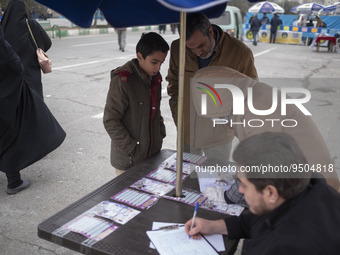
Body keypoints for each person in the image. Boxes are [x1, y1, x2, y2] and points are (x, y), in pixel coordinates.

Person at [190, 66, 340, 194]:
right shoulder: (251, 95)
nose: (223, 124)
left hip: (315, 192)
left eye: (220, 117)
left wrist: (228, 195)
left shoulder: (259, 109)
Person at [185, 132, 340, 255]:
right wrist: (214, 226)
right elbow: (258, 218)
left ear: (270, 192)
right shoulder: (309, 188)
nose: (240, 190)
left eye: (245, 185)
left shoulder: (284, 247)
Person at [166, 12, 257, 163]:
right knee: (186, 180)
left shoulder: (240, 53)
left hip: (219, 138)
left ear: (210, 32)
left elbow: (251, 93)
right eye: (190, 48)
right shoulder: (177, 48)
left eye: (201, 45)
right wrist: (178, 114)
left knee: (215, 182)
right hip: (187, 133)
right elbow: (173, 83)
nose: (198, 52)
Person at [0, 26, 66, 195]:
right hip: (10, 91)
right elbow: (11, 62)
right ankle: (14, 181)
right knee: (12, 131)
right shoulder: (30, 25)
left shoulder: (8, 25)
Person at [103, 32, 169, 176]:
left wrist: (160, 133)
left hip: (152, 154)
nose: (158, 68)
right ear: (140, 56)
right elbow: (110, 120)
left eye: (161, 63)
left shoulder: (155, 78)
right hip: (129, 160)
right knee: (128, 197)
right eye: (154, 62)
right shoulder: (123, 80)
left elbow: (155, 110)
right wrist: (132, 148)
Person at [1, 0, 52, 99]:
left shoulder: (3, 27)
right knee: (35, 107)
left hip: (11, 79)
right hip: (32, 75)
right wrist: (37, 49)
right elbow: (48, 43)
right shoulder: (32, 24)